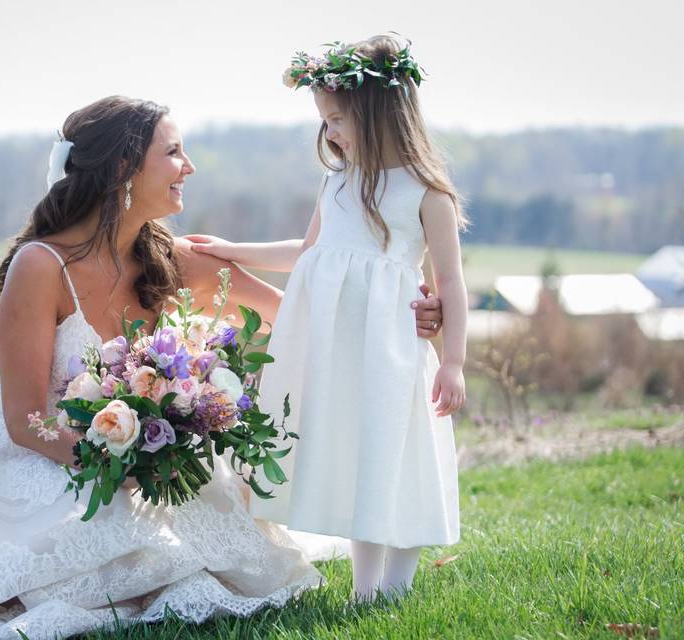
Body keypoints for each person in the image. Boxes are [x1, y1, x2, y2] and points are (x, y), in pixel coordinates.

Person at [0, 94, 444, 637]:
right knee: (34, 582)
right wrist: (114, 463)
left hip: (143, 455)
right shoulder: (40, 267)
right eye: (174, 152)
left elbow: (303, 318)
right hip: (38, 451)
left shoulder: (175, 258)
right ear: (124, 167)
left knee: (227, 563)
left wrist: (412, 317)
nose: (188, 167)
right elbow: (22, 420)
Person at [187, 34, 467, 602]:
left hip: (391, 351)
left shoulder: (425, 194)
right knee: (363, 455)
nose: (330, 133)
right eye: (325, 121)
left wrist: (455, 362)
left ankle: (396, 587)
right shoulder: (336, 184)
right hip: (343, 352)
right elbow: (307, 253)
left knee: (399, 453)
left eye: (337, 119)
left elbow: (452, 281)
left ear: (379, 113)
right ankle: (367, 592)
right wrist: (233, 249)